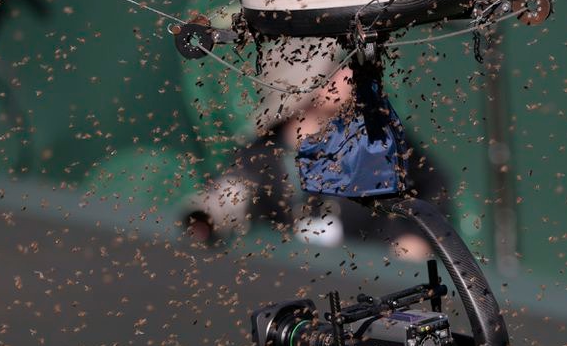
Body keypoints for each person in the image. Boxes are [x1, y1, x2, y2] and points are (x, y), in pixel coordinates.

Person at [186, 37, 451, 262]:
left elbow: (432, 185)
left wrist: (414, 237)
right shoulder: (261, 156)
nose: (349, 76)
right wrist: (210, 215)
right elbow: (232, 193)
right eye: (335, 70)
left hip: (373, 279)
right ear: (303, 85)